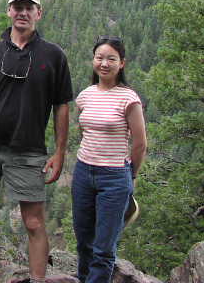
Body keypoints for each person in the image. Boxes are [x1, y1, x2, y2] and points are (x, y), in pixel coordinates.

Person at [0, 0, 73, 281]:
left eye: (29, 7)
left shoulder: (54, 56)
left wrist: (60, 152)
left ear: (39, 13)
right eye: (17, 6)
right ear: (9, 11)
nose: (23, 12)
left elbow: (62, 106)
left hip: (29, 149)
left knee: (34, 222)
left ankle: (38, 279)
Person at [72, 36, 147, 283]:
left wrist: (131, 175)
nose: (104, 63)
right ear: (93, 60)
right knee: (84, 241)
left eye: (111, 59)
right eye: (99, 57)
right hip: (83, 172)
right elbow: (84, 131)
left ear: (122, 63)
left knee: (103, 248)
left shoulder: (128, 98)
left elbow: (140, 143)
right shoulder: (85, 96)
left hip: (114, 176)